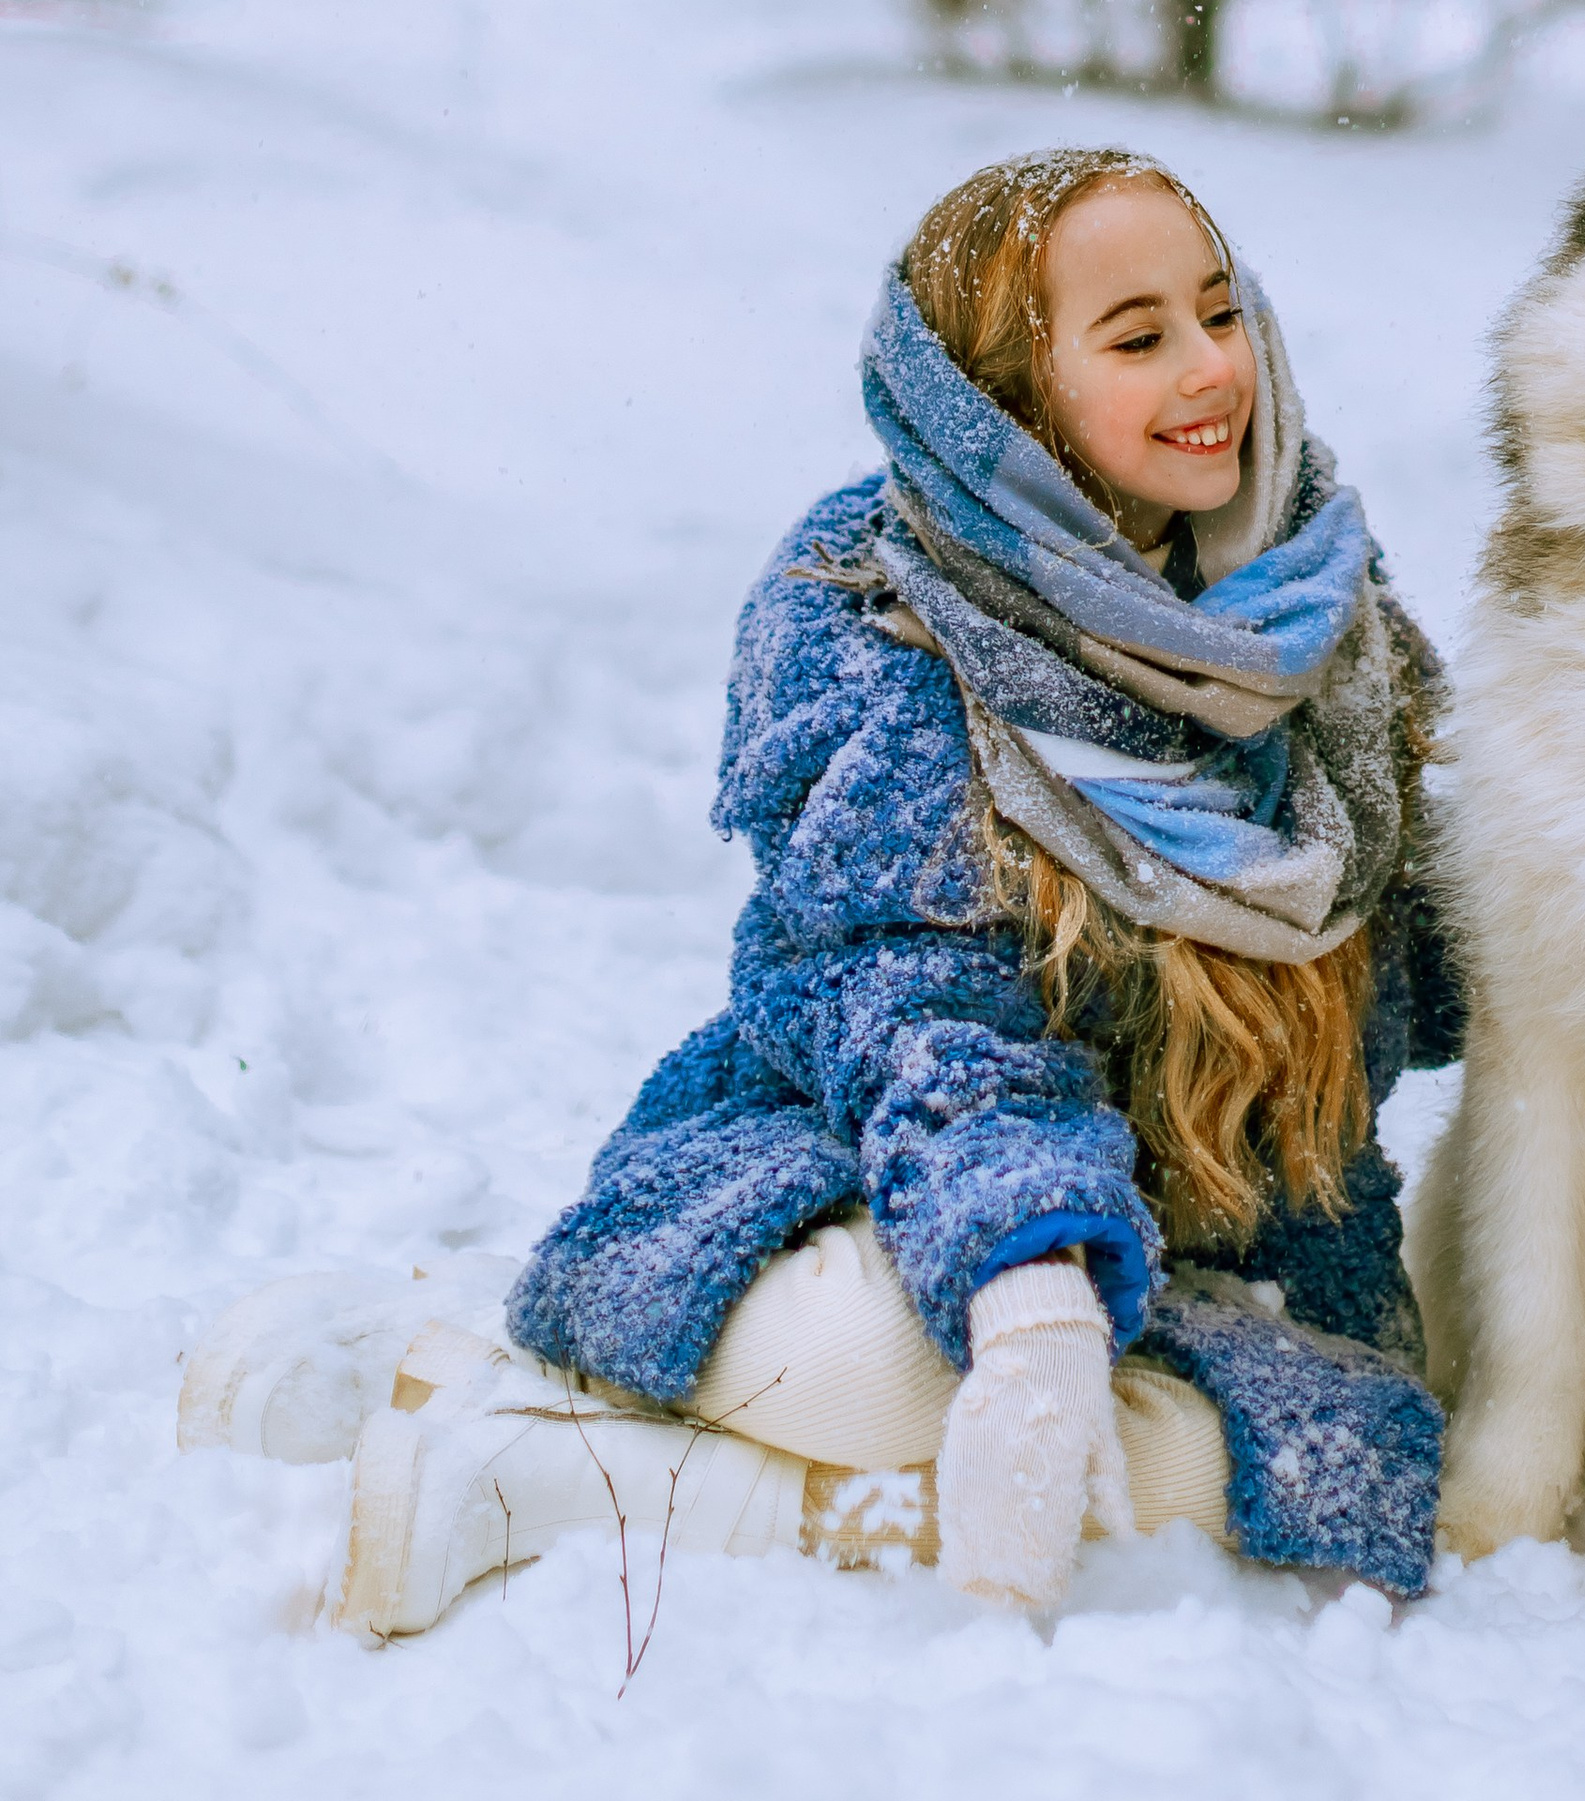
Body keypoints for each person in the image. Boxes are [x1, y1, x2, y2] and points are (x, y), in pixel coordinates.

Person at [181, 147, 1463, 1634]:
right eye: (1136, 334)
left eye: (1220, 310)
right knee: (883, 1369)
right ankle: (520, 1443)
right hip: (896, 1179)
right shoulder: (882, 625)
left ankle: (505, 1402)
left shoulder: (1318, 620)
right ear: (1007, 395)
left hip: (1221, 1257)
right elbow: (932, 1024)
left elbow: (1450, 947)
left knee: (1284, 1470)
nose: (1209, 368)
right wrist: (1033, 1307)